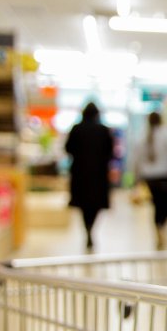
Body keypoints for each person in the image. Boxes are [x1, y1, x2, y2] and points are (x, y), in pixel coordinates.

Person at [129, 111, 167, 248]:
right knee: (165, 205)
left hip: (149, 178)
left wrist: (136, 179)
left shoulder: (141, 136)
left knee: (156, 204)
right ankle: (162, 227)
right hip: (165, 176)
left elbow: (136, 160)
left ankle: (158, 228)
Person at [65, 102, 114, 250]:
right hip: (99, 175)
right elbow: (110, 152)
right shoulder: (103, 130)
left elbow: (68, 148)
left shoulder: (76, 129)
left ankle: (88, 229)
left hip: (80, 174)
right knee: (96, 205)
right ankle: (91, 228)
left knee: (83, 205)